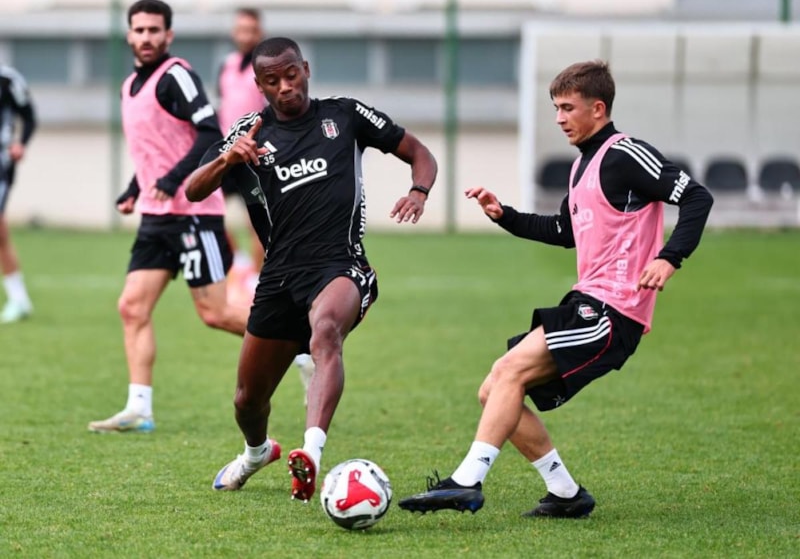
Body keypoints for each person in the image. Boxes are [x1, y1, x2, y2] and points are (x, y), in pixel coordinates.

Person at [398, 60, 713, 518]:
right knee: (494, 389)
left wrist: (669, 257)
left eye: (567, 108)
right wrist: (504, 215)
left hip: (615, 310)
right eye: (556, 109)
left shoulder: (626, 154)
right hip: (589, 300)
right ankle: (565, 493)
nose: (559, 118)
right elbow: (565, 231)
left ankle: (466, 481)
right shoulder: (582, 165)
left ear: (598, 108)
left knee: (509, 371)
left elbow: (697, 197)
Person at [184, 37, 438, 500]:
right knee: (247, 401)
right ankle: (257, 452)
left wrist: (418, 191)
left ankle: (312, 453)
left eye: (291, 75)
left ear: (305, 69)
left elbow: (419, 152)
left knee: (326, 334)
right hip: (279, 277)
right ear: (259, 85)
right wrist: (228, 158)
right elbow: (194, 190)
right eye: (273, 81)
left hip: (340, 264)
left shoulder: (345, 115)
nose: (286, 87)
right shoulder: (248, 132)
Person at [88, 0, 249, 433]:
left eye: (154, 30)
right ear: (129, 35)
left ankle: (301, 345)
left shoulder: (177, 75)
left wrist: (174, 179)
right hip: (156, 216)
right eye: (139, 30)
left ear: (168, 35)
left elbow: (211, 133)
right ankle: (139, 409)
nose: (146, 37)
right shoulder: (128, 86)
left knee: (215, 313)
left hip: (194, 214)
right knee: (132, 307)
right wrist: (134, 188)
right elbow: (155, 151)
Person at [216, 8, 315, 395]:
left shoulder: (270, 69)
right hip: (231, 150)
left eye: (251, 28)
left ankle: (258, 278)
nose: (245, 33)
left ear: (259, 31)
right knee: (217, 213)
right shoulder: (227, 66)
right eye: (240, 27)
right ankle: (242, 266)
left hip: (260, 151)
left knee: (261, 219)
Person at [0, 64, 36, 324]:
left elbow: (30, 116)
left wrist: (21, 144)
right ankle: (19, 299)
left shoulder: (8, 80)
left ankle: (18, 298)